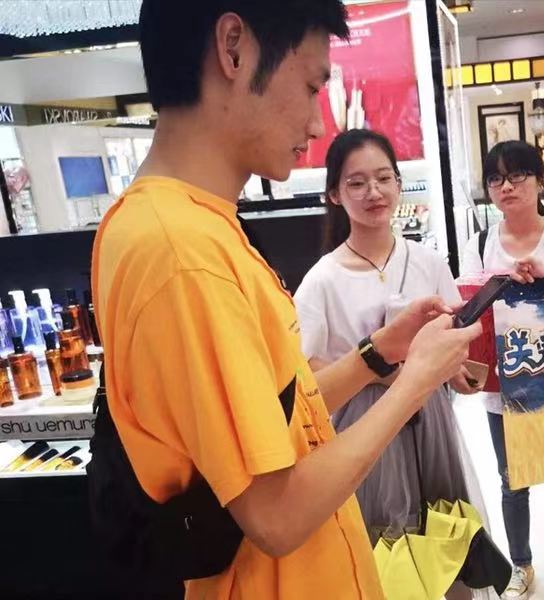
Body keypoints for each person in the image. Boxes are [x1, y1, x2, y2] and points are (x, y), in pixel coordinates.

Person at [90, 2, 481, 599]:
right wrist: (414, 382)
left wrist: (377, 354)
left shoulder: (192, 228)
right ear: (234, 48)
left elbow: (280, 418)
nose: (318, 124)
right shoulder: (183, 251)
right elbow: (276, 515)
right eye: (310, 86)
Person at [295, 128, 483, 599]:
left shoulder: (428, 262)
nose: (374, 192)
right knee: (379, 548)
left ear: (399, 183)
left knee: (441, 530)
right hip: (362, 423)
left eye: (383, 178)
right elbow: (306, 377)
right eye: (357, 183)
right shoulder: (321, 280)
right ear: (334, 195)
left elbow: (452, 341)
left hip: (429, 418)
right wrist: (379, 367)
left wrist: (459, 372)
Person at [461, 140, 544, 600]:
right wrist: (501, 284)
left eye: (517, 175)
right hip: (502, 387)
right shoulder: (479, 244)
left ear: (539, 181)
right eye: (496, 178)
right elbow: (469, 311)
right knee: (512, 481)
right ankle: (521, 564)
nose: (506, 187)